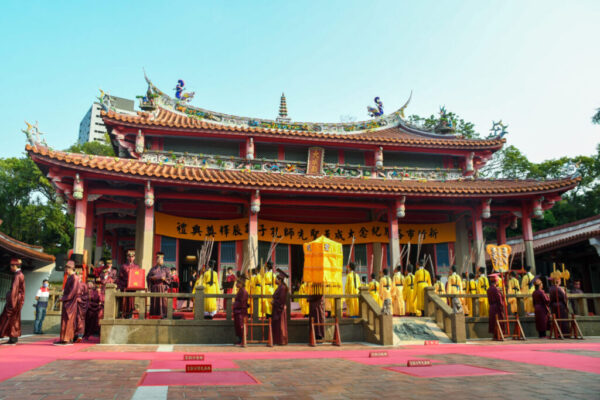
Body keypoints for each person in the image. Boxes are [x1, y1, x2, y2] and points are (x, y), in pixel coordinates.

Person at [0, 258, 25, 345]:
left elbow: (14, 289)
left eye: (11, 265)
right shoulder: (20, 274)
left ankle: (12, 338)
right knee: (14, 320)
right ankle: (13, 338)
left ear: (15, 266)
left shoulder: (17, 275)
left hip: (14, 300)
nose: (10, 267)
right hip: (17, 300)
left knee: (7, 318)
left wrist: (12, 302)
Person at [56, 261, 79, 345]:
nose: (66, 270)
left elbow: (73, 292)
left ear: (71, 268)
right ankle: (63, 338)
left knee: (68, 321)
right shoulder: (70, 277)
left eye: (67, 268)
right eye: (66, 268)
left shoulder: (75, 278)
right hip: (67, 302)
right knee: (65, 321)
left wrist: (63, 298)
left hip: (71, 303)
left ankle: (67, 339)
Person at [146, 252, 172, 318]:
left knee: (162, 302)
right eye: (158, 259)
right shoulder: (153, 269)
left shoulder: (166, 269)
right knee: (154, 302)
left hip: (162, 288)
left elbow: (170, 279)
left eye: (161, 259)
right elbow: (148, 277)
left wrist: (164, 279)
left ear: (163, 260)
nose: (159, 260)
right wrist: (152, 278)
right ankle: (154, 315)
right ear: (156, 260)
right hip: (155, 288)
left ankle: (163, 315)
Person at [116, 249, 139, 318]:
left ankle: (130, 314)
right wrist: (120, 286)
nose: (131, 258)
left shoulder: (136, 267)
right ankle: (123, 314)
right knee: (124, 301)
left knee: (131, 301)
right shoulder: (123, 266)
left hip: (132, 287)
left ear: (134, 257)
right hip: (125, 286)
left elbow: (138, 277)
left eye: (132, 256)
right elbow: (120, 277)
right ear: (127, 257)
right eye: (129, 256)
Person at [271, 269, 289, 345]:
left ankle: (281, 340)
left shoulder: (282, 288)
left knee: (280, 326)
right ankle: (277, 340)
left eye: (277, 279)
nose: (275, 280)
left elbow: (281, 300)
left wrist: (274, 302)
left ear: (280, 280)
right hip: (276, 308)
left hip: (279, 310)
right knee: (276, 325)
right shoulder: (280, 287)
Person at [487, 274, 506, 341]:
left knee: (493, 321)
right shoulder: (496, 290)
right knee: (498, 321)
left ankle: (495, 335)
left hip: (491, 307)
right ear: (496, 282)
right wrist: (502, 306)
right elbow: (499, 300)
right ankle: (499, 335)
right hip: (497, 307)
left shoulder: (489, 289)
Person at [232, 276, 249, 345]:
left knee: (241, 326)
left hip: (241, 312)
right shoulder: (240, 290)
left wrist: (235, 304)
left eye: (237, 283)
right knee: (238, 326)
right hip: (238, 311)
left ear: (241, 284)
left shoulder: (243, 291)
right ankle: (239, 340)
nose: (236, 285)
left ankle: (242, 340)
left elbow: (242, 302)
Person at [74, 268, 88, 342]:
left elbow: (86, 296)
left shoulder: (84, 285)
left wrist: (80, 298)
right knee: (73, 319)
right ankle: (73, 334)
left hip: (81, 304)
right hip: (73, 304)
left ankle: (80, 335)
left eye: (80, 275)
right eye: (77, 275)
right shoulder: (72, 283)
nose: (79, 276)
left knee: (80, 319)